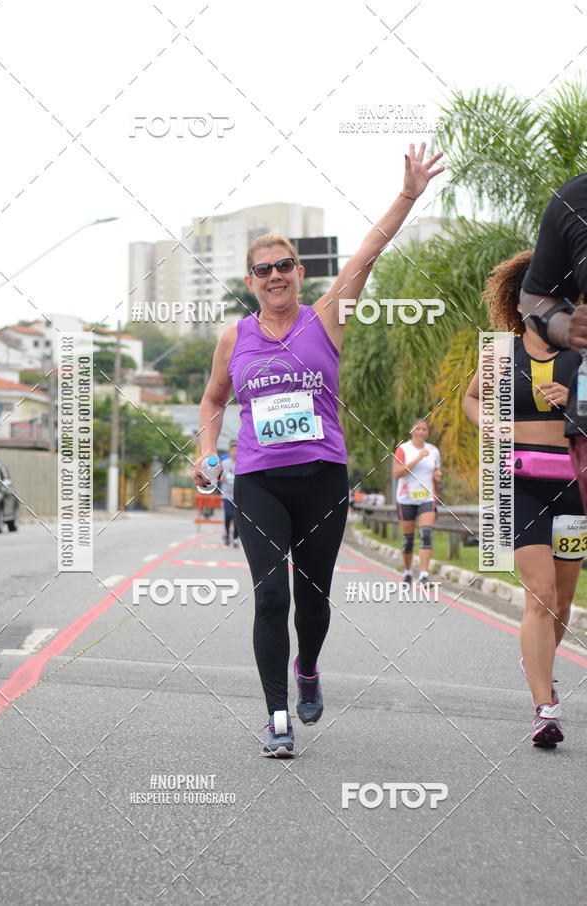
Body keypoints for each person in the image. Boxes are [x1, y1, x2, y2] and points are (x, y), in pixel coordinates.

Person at [192, 143, 444, 757]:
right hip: (259, 482)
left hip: (324, 478)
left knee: (313, 600)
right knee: (270, 595)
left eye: (285, 266)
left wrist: (408, 194)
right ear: (249, 281)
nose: (275, 276)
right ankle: (277, 715)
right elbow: (212, 402)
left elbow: (369, 250)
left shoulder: (326, 317)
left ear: (299, 272)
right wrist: (206, 452)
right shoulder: (235, 338)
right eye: (263, 270)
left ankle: (308, 665)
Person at [464, 250, 585, 747]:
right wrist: (495, 425)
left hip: (575, 488)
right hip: (519, 484)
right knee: (539, 594)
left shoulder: (581, 355)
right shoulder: (499, 353)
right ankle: (544, 707)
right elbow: (472, 400)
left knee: (561, 603)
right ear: (522, 301)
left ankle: (538, 663)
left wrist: (573, 401)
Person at [519, 172, 587, 511]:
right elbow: (539, 298)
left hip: (564, 478)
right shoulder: (503, 354)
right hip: (524, 479)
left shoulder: (570, 361)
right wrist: (567, 328)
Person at [394, 419, 442, 587]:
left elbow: (436, 469)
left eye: (424, 429)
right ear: (412, 431)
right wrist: (418, 458)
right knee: (408, 539)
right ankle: (407, 572)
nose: (421, 432)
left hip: (426, 498)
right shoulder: (403, 449)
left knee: (426, 534)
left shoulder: (433, 450)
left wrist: (437, 474)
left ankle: (423, 575)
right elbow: (397, 473)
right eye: (418, 429)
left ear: (427, 433)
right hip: (406, 498)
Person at [220, 441, 239, 547]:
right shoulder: (225, 463)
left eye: (237, 450)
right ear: (230, 451)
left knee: (237, 518)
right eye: (233, 450)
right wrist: (223, 478)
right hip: (227, 495)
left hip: (238, 496)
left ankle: (236, 537)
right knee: (228, 515)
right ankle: (227, 534)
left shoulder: (242, 462)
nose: (235, 452)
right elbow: (219, 476)